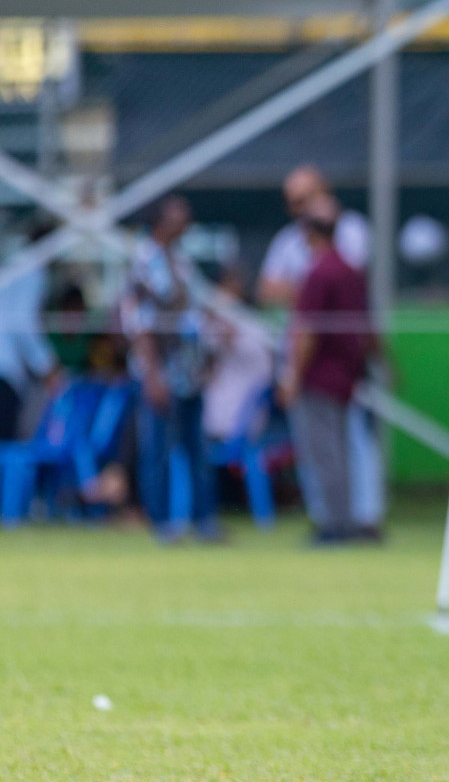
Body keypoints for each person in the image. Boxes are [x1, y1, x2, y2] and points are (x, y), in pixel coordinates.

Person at [260, 164, 385, 537]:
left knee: (344, 444)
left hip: (329, 366)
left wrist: (293, 375)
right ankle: (336, 516)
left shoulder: (340, 251)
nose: (300, 209)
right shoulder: (297, 248)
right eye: (293, 202)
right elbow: (267, 291)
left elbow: (314, 319)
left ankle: (350, 519)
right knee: (322, 447)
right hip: (324, 365)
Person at [121, 195, 220, 542]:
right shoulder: (145, 262)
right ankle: (162, 522)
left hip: (190, 372)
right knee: (159, 450)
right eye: (180, 213)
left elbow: (197, 315)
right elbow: (139, 325)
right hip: (161, 373)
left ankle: (204, 520)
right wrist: (151, 375)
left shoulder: (182, 261)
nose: (188, 218)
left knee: (197, 449)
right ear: (161, 220)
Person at [0, 221, 61, 440]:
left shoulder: (14, 266)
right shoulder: (33, 272)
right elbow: (23, 324)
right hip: (5, 371)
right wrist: (48, 367)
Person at [203, 263, 274, 445]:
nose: (236, 286)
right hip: (232, 417)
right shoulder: (219, 321)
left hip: (242, 417)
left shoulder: (250, 323)